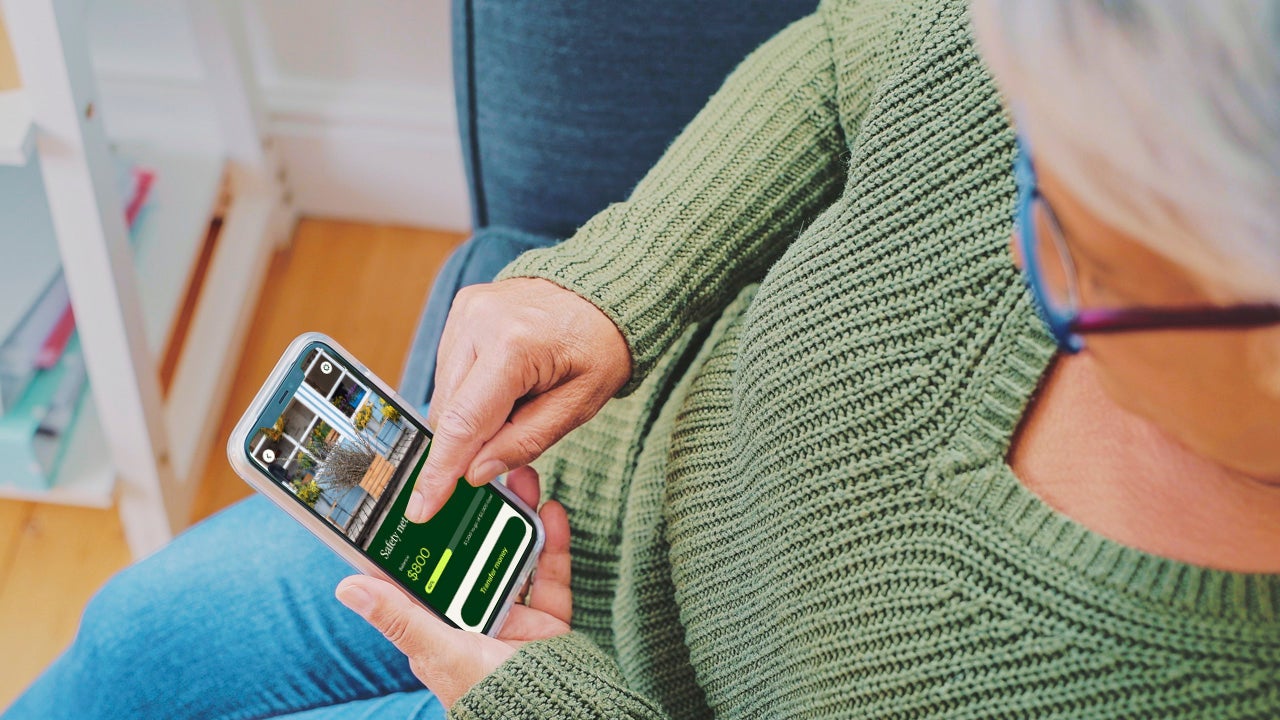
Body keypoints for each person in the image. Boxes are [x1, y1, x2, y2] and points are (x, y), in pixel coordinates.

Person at [8, 0, 1279, 717]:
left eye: (1078, 255)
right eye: (1026, 157)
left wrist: (549, 704)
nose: (1009, 245)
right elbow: (844, 60)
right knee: (130, 641)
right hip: (570, 493)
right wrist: (618, 286)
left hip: (592, 700)